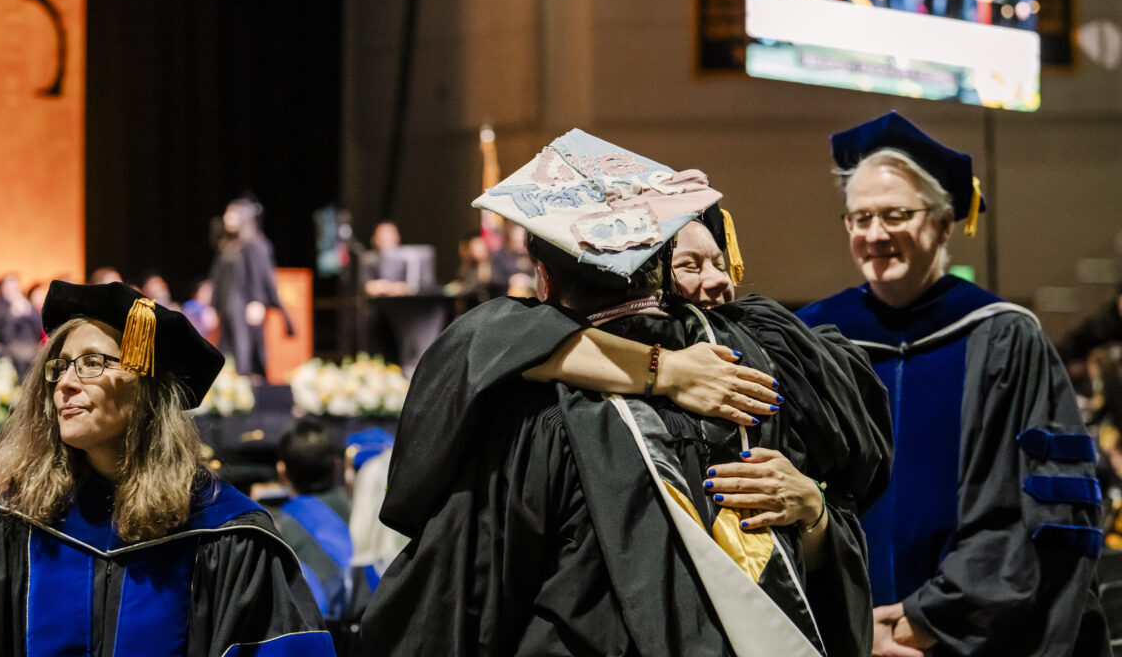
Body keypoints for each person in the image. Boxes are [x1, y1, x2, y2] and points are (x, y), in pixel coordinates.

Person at [362, 130, 890, 656]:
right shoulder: (771, 369)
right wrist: (818, 514)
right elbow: (838, 532)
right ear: (661, 270)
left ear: (542, 281)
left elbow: (458, 597)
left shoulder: (532, 408)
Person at [796, 111, 1108, 657]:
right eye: (859, 218)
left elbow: (1045, 511)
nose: (875, 235)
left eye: (896, 215)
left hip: (973, 636)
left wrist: (925, 622)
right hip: (845, 634)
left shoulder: (1005, 337)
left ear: (944, 222)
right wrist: (851, 623)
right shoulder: (817, 340)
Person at [0, 280, 334, 656]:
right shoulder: (15, 528)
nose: (65, 383)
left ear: (145, 387)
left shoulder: (228, 536)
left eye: (92, 363)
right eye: (61, 365)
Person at [262, 419, 353, 621]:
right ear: (336, 467)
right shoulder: (360, 511)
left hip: (315, 630)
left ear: (282, 472)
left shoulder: (276, 527)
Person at [209, 195, 294, 379]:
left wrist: (257, 301)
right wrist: (214, 306)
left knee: (245, 350)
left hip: (245, 305)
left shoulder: (255, 244)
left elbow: (260, 275)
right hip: (228, 308)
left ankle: (246, 391)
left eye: (232, 213)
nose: (226, 218)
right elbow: (218, 278)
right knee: (226, 350)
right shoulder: (228, 245)